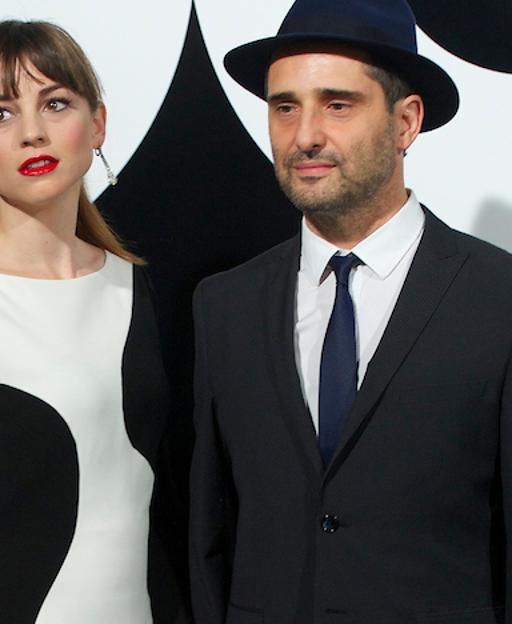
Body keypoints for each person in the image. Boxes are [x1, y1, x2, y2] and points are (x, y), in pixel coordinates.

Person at [189, 1, 511, 622]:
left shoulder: (498, 298)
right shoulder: (223, 305)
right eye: (285, 107)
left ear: (405, 122)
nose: (305, 134)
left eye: (337, 104)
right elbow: (209, 528)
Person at [0, 20, 179, 624]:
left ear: (97, 123)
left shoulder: (133, 285)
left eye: (55, 103)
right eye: (0, 113)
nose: (32, 132)